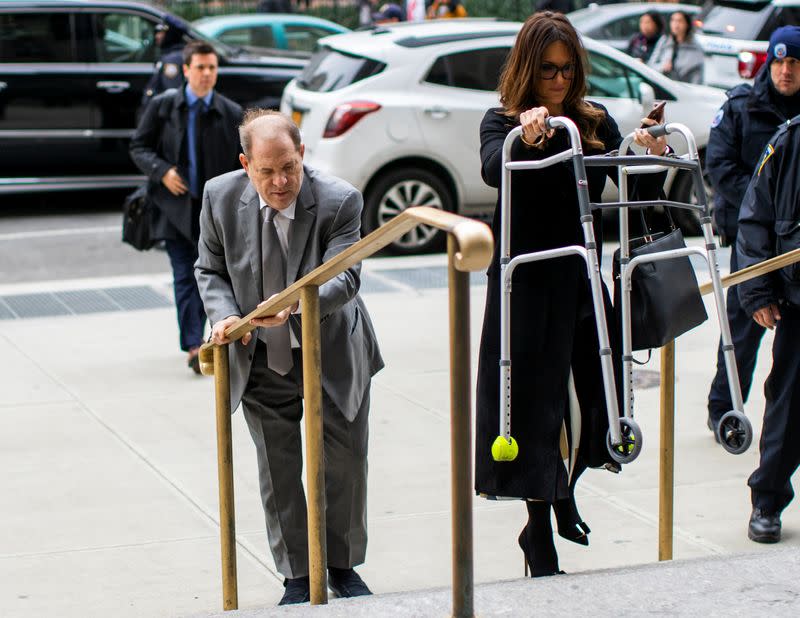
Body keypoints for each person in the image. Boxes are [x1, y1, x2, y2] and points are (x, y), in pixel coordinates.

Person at [475, 12, 667, 576]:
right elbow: (492, 169)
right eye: (547, 71)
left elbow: (633, 192)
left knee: (598, 399)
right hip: (526, 285)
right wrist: (530, 139)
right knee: (533, 412)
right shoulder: (503, 120)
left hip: (579, 279)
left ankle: (564, 491)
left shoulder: (593, 120)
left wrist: (646, 153)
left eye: (567, 70)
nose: (558, 82)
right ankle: (539, 533)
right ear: (528, 71)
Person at [194, 110, 384, 605]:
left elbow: (346, 278)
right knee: (276, 468)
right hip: (258, 355)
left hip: (332, 348)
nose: (280, 182)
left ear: (302, 155)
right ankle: (298, 576)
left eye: (289, 167)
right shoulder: (218, 197)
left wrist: (297, 305)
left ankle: (341, 567)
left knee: (343, 463)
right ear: (245, 164)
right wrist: (222, 316)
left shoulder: (341, 200)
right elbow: (209, 269)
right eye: (266, 171)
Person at [704, 26, 800, 439]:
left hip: (793, 245)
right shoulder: (742, 106)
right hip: (753, 241)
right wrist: (767, 204)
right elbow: (720, 167)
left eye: (794, 62)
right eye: (779, 62)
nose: (785, 71)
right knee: (742, 333)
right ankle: (723, 410)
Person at [130, 41, 243, 373]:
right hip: (173, 208)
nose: (207, 74)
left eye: (212, 68)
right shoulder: (164, 106)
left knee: (215, 275)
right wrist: (162, 171)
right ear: (185, 70)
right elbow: (139, 146)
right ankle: (194, 346)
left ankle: (214, 336)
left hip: (215, 212)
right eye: (200, 68)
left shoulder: (230, 112)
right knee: (184, 274)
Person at [733, 28, 800, 545]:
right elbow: (755, 220)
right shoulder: (789, 141)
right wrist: (757, 292)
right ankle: (768, 501)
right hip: (797, 303)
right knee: (788, 407)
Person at [140, 15, 190, 111]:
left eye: (162, 33)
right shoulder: (170, 54)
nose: (157, 36)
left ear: (171, 35)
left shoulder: (173, 60)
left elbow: (171, 95)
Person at [648, 11, 704, 84]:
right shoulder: (664, 41)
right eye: (673, 20)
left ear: (687, 24)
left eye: (680, 21)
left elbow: (697, 76)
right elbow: (650, 65)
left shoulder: (695, 47)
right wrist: (662, 67)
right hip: (662, 85)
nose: (676, 24)